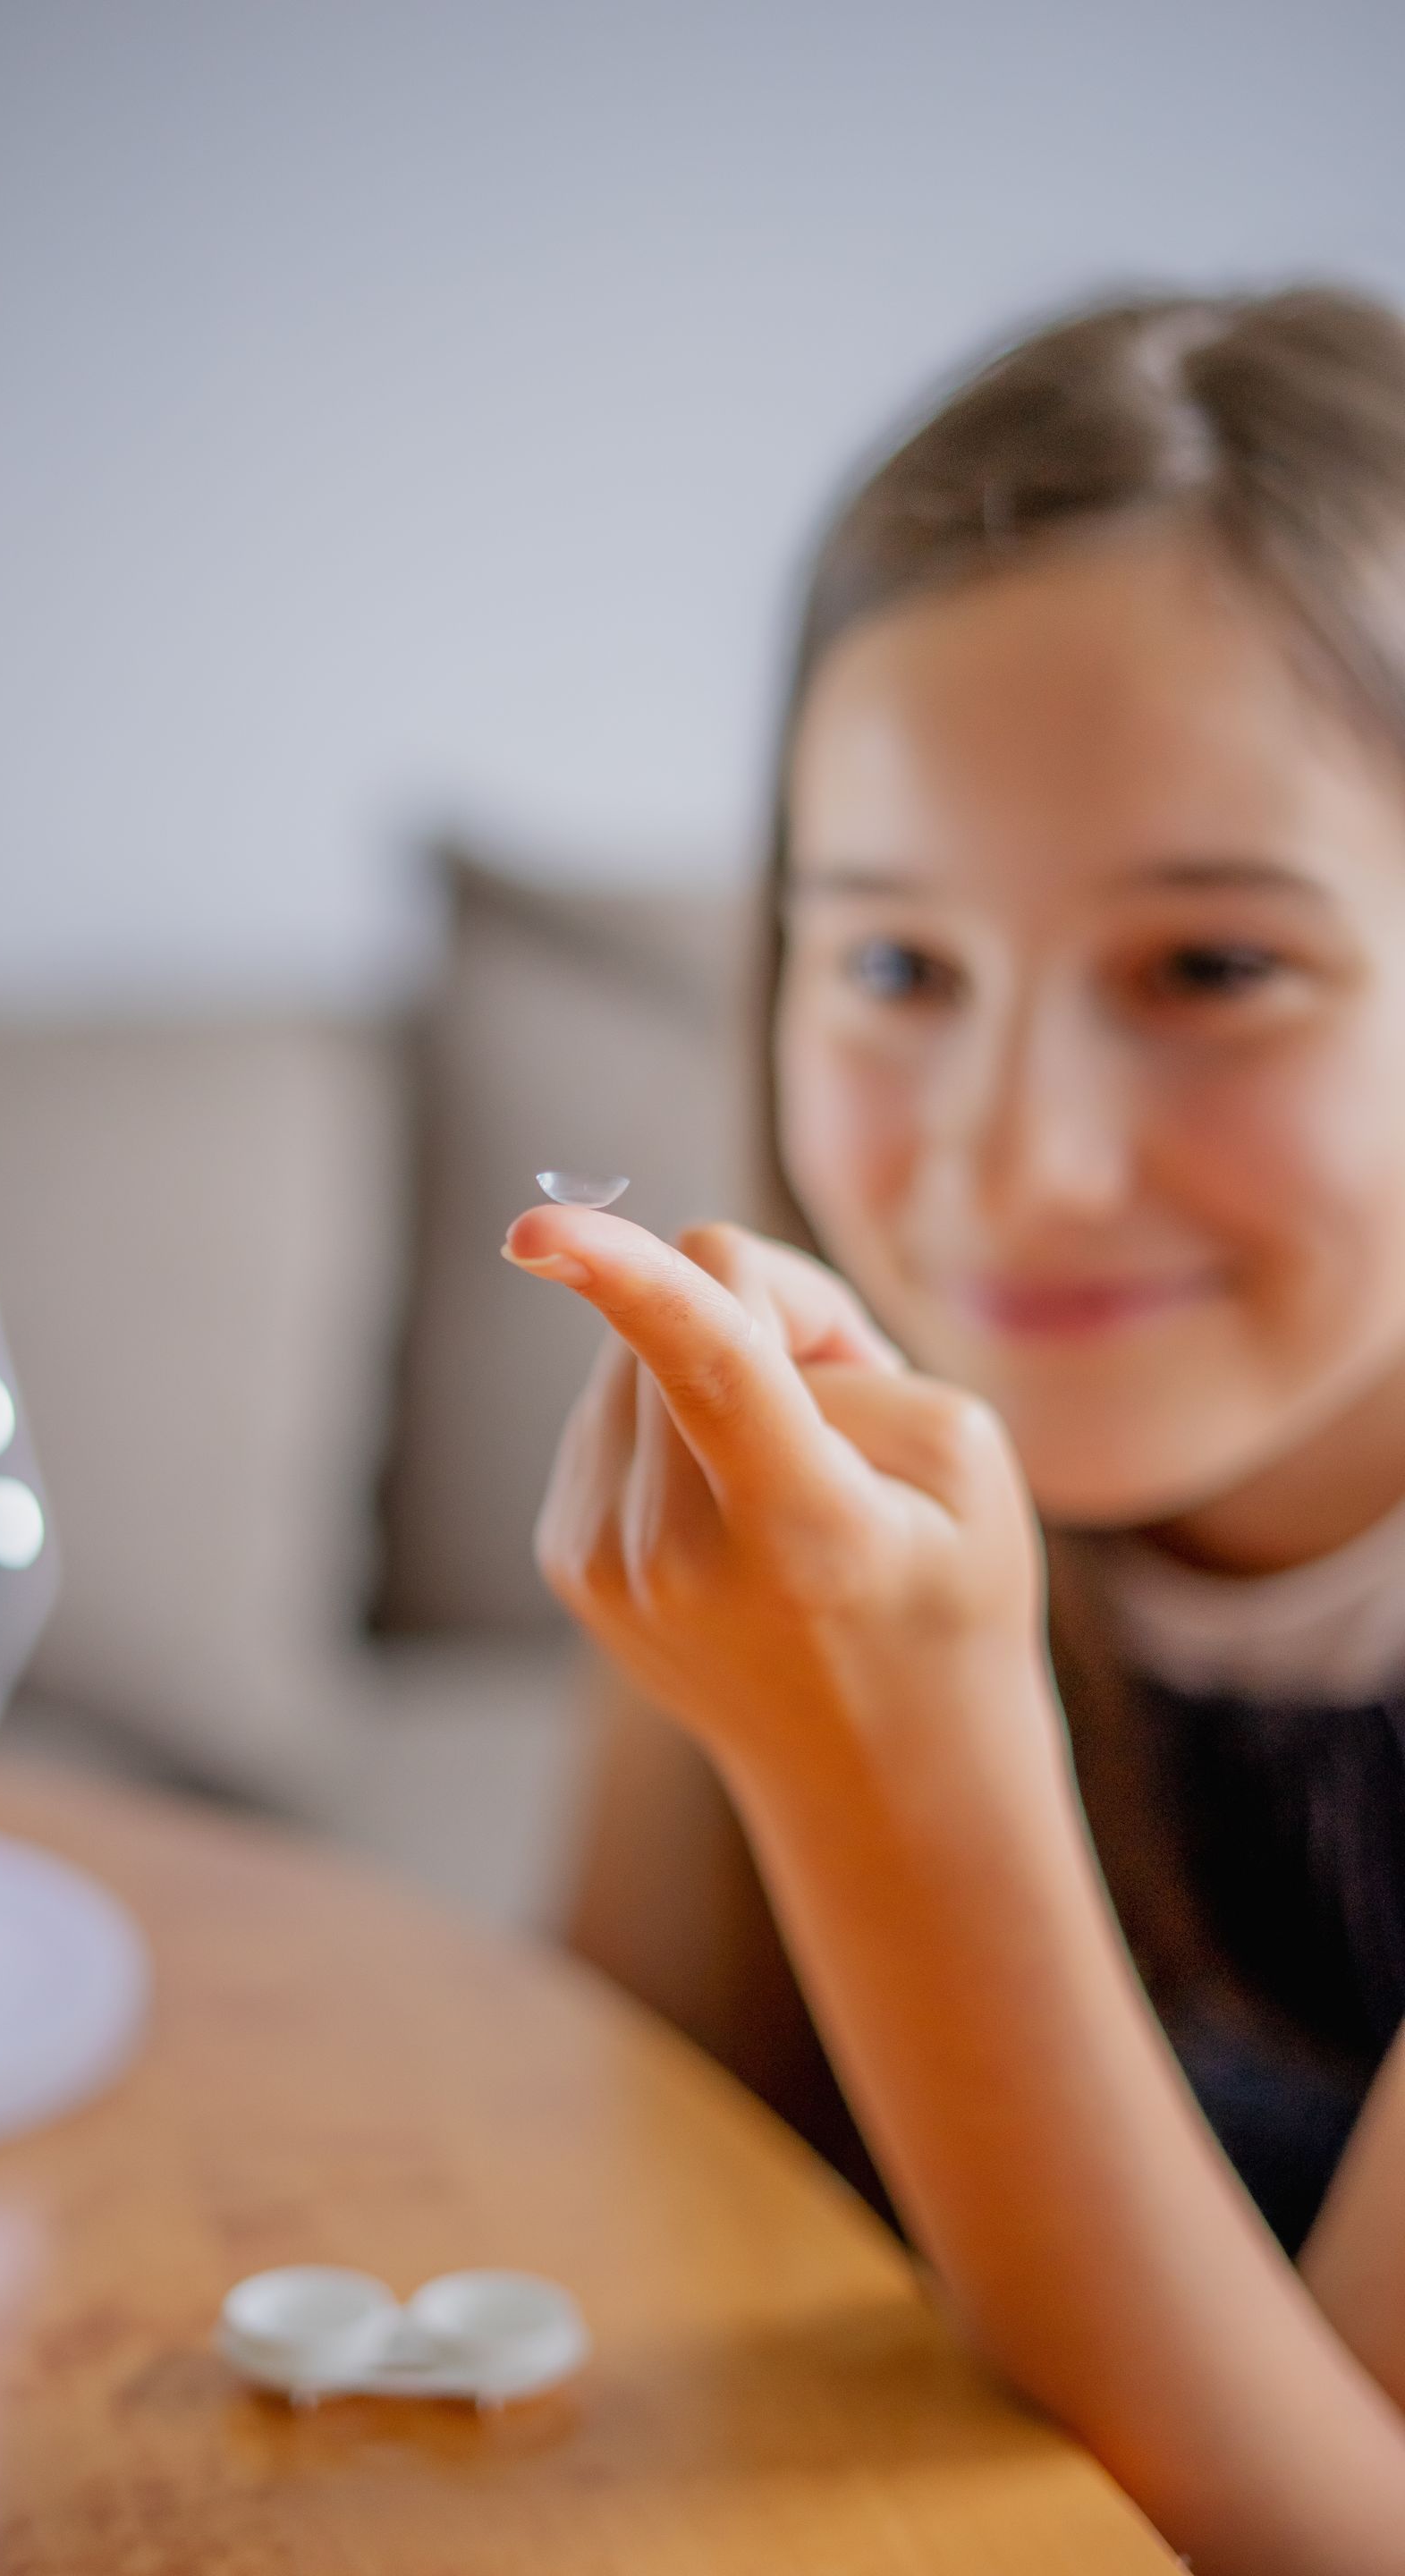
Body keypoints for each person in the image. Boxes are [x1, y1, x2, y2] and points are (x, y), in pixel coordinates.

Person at [501, 287, 1405, 2575]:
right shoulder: (826, 1456)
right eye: (898, 967)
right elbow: (614, 2231)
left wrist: (889, 1772)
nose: (1017, 1171)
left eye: (1212, 969)